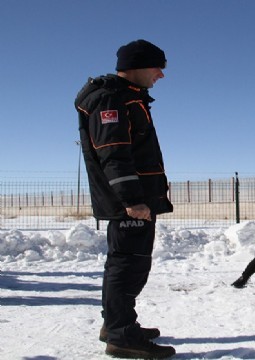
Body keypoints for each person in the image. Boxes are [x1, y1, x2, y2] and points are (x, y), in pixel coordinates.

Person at [74, 39, 175, 359]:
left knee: (126, 263)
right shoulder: (111, 100)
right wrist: (132, 199)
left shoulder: (127, 98)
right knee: (128, 266)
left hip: (135, 199)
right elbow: (113, 153)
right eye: (157, 67)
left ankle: (117, 323)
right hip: (130, 202)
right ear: (137, 66)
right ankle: (121, 335)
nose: (161, 74)